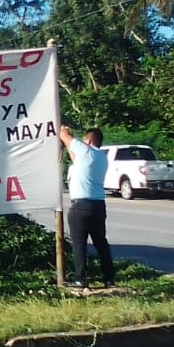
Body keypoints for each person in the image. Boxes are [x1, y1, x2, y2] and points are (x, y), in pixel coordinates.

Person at [59, 124, 116, 289]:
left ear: (89, 141)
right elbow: (74, 155)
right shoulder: (100, 157)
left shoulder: (86, 151)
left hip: (80, 206)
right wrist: (68, 143)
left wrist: (64, 130)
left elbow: (64, 136)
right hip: (98, 205)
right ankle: (109, 278)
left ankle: (80, 278)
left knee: (79, 243)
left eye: (84, 140)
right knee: (101, 243)